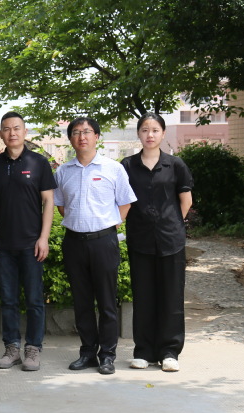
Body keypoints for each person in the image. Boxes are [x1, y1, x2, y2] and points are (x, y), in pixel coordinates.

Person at [54, 117, 137, 375]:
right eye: (76, 132)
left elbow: (125, 203)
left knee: (106, 301)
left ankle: (108, 355)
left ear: (97, 137)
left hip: (104, 242)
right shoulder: (63, 171)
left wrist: (106, 225)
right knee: (82, 302)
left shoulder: (113, 169)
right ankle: (88, 352)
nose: (82, 137)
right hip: (74, 242)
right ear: (70, 138)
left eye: (87, 132)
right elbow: (61, 206)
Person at [0, 112, 57, 372]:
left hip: (32, 244)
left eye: (17, 128)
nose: (12, 133)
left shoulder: (38, 162)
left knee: (35, 300)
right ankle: (12, 348)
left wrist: (44, 238)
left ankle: (33, 349)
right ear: (1, 134)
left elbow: (48, 201)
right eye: (7, 129)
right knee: (8, 299)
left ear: (25, 132)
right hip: (4, 244)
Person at [121, 113, 193, 372]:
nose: (149, 135)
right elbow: (122, 201)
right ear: (138, 134)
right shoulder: (127, 166)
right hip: (140, 240)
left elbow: (186, 201)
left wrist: (171, 224)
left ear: (163, 133)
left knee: (171, 296)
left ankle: (169, 351)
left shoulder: (175, 165)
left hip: (171, 240)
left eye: (154, 130)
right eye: (144, 130)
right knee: (144, 295)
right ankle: (144, 351)